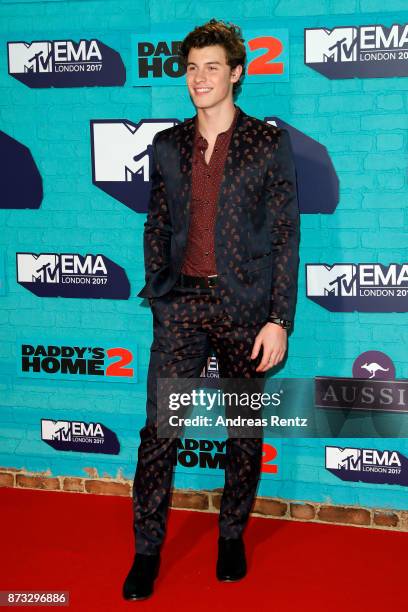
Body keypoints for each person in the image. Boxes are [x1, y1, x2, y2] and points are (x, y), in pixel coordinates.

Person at [123, 18, 300, 601]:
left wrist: (279, 319)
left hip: (246, 308)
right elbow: (157, 223)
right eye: (193, 68)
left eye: (212, 68)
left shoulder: (268, 143)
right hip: (181, 308)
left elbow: (284, 234)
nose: (200, 78)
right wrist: (160, 290)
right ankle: (147, 551)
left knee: (243, 431)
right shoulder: (168, 145)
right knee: (161, 432)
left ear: (237, 74)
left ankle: (231, 537)